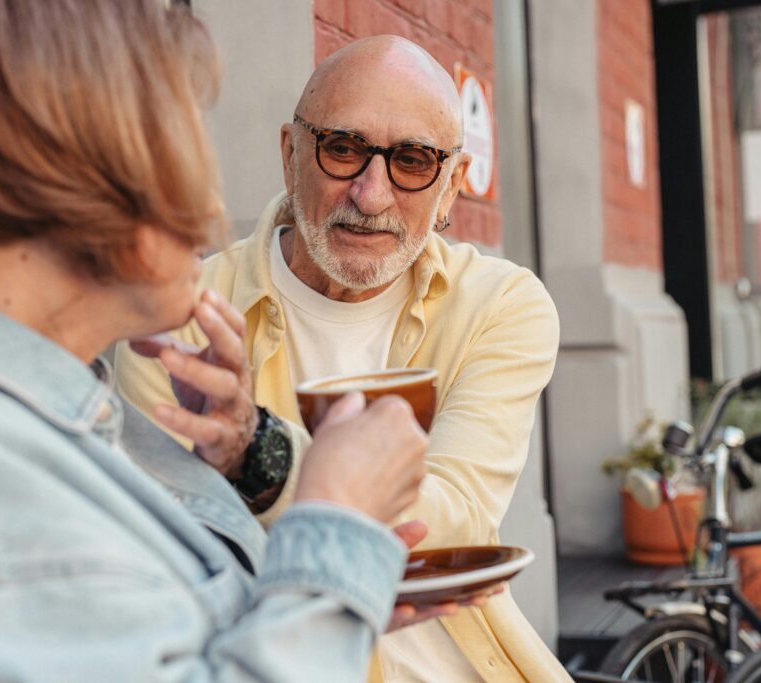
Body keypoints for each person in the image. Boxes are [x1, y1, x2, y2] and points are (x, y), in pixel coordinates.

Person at [0, 3, 444, 681]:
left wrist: (328, 599)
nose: (210, 204)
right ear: (78, 173)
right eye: (182, 144)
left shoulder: (18, 419)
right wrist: (335, 530)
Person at [116, 35, 571, 683]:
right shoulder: (180, 318)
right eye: (343, 148)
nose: (372, 193)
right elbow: (164, 560)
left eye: (412, 161)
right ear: (289, 154)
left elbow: (453, 516)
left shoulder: (503, 304)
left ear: (449, 190)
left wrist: (259, 456)